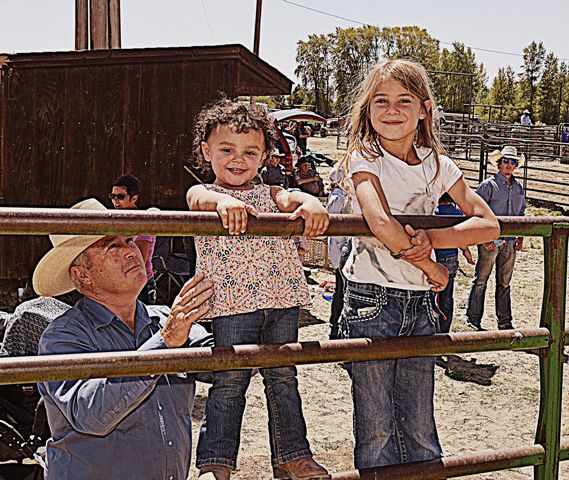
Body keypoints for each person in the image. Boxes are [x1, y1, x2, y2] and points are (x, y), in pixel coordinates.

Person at [339, 58, 499, 470]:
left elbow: (488, 223)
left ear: (425, 109)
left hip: (420, 303)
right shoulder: (364, 159)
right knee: (375, 422)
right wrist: (434, 268)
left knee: (418, 418)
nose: (392, 110)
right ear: (367, 110)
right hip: (371, 297)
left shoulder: (439, 165)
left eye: (404, 101)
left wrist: (436, 239)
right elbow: (378, 222)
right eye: (381, 101)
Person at [186, 98, 330, 480]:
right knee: (229, 381)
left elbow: (292, 199)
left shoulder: (271, 194)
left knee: (283, 377)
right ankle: (214, 464)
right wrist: (223, 201)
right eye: (227, 150)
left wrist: (311, 201)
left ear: (265, 155)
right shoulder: (203, 195)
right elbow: (200, 198)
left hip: (281, 300)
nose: (238, 159)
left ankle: (292, 456)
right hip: (234, 305)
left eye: (250, 151)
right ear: (206, 151)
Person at [31, 198, 215, 480]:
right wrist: (164, 344)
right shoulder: (62, 337)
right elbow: (91, 415)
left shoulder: (164, 318)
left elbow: (225, 365)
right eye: (112, 246)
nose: (131, 250)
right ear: (82, 275)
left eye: (128, 239)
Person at [466, 146, 527, 331]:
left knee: (504, 281)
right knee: (481, 278)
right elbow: (476, 211)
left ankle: (505, 321)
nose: (509, 165)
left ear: (516, 166)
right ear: (499, 163)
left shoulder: (518, 188)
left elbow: (521, 211)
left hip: (509, 240)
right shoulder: (488, 185)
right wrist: (483, 237)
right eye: (506, 161)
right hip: (491, 239)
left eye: (513, 162)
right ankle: (473, 318)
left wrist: (520, 235)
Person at [110, 174, 157, 304]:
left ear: (134, 198)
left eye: (120, 197)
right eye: (113, 196)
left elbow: (139, 259)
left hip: (141, 284)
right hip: (123, 281)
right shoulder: (116, 219)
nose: (115, 201)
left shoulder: (142, 222)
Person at [434, 193, 475, 333]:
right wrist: (466, 251)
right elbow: (461, 236)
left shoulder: (433, 212)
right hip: (451, 258)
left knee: (431, 296)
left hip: (435, 258)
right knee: (447, 296)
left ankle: (432, 329)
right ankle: (444, 331)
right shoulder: (456, 212)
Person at [326, 167, 349, 339]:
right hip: (340, 245)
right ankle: (335, 325)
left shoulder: (339, 195)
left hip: (340, 244)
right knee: (341, 288)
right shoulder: (339, 197)